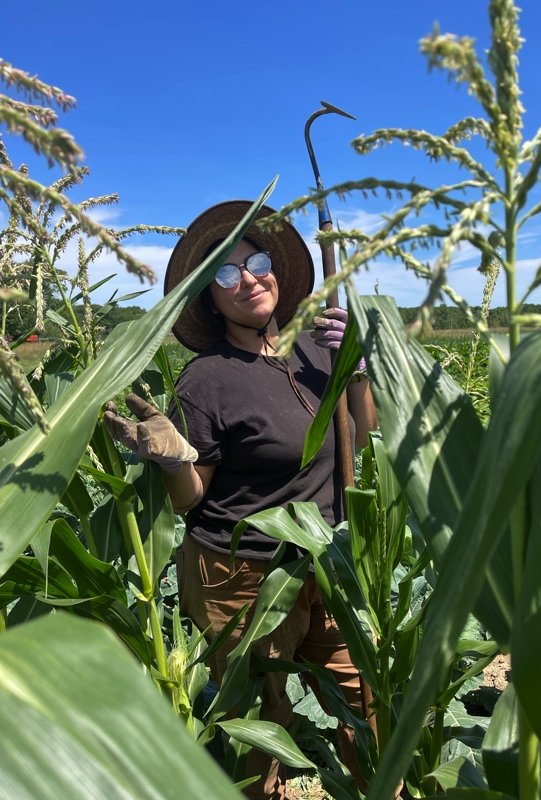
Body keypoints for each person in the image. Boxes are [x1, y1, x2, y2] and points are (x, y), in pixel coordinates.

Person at [105, 201, 377, 800]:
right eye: (225, 275)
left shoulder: (315, 348)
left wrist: (354, 367)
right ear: (209, 299)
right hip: (242, 573)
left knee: (364, 699)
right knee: (261, 723)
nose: (248, 279)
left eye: (254, 261)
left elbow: (360, 431)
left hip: (325, 559)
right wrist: (174, 457)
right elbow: (190, 500)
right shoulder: (206, 380)